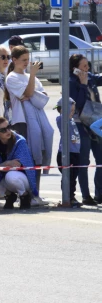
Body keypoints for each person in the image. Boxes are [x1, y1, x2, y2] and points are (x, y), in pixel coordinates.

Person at [5, 46, 53, 197]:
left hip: (37, 120)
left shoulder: (32, 77)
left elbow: (42, 96)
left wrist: (30, 91)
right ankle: (24, 192)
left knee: (37, 154)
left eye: (28, 59)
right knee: (26, 157)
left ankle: (35, 193)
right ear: (14, 60)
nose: (27, 63)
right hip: (21, 122)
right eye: (23, 60)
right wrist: (31, 82)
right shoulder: (11, 77)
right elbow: (29, 93)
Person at [69, 53, 102, 205]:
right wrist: (82, 84)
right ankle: (86, 195)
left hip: (96, 122)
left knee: (100, 158)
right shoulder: (71, 82)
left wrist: (87, 79)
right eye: (84, 66)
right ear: (75, 68)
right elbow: (79, 104)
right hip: (80, 124)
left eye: (87, 65)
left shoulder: (90, 77)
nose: (87, 69)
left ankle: (99, 193)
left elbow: (99, 78)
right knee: (84, 161)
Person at [0, 116, 38, 209]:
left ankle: (24, 195)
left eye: (8, 127)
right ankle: (9, 195)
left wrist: (0, 166)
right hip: (3, 175)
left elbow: (17, 165)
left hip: (21, 178)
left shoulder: (20, 141)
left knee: (11, 176)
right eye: (3, 130)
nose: (8, 131)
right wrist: (6, 163)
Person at [54, 97, 81, 207]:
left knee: (73, 177)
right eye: (70, 110)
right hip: (66, 153)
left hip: (75, 153)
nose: (72, 113)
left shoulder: (72, 121)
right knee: (68, 176)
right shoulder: (61, 119)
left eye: (73, 111)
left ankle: (71, 196)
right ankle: (67, 197)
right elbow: (61, 116)